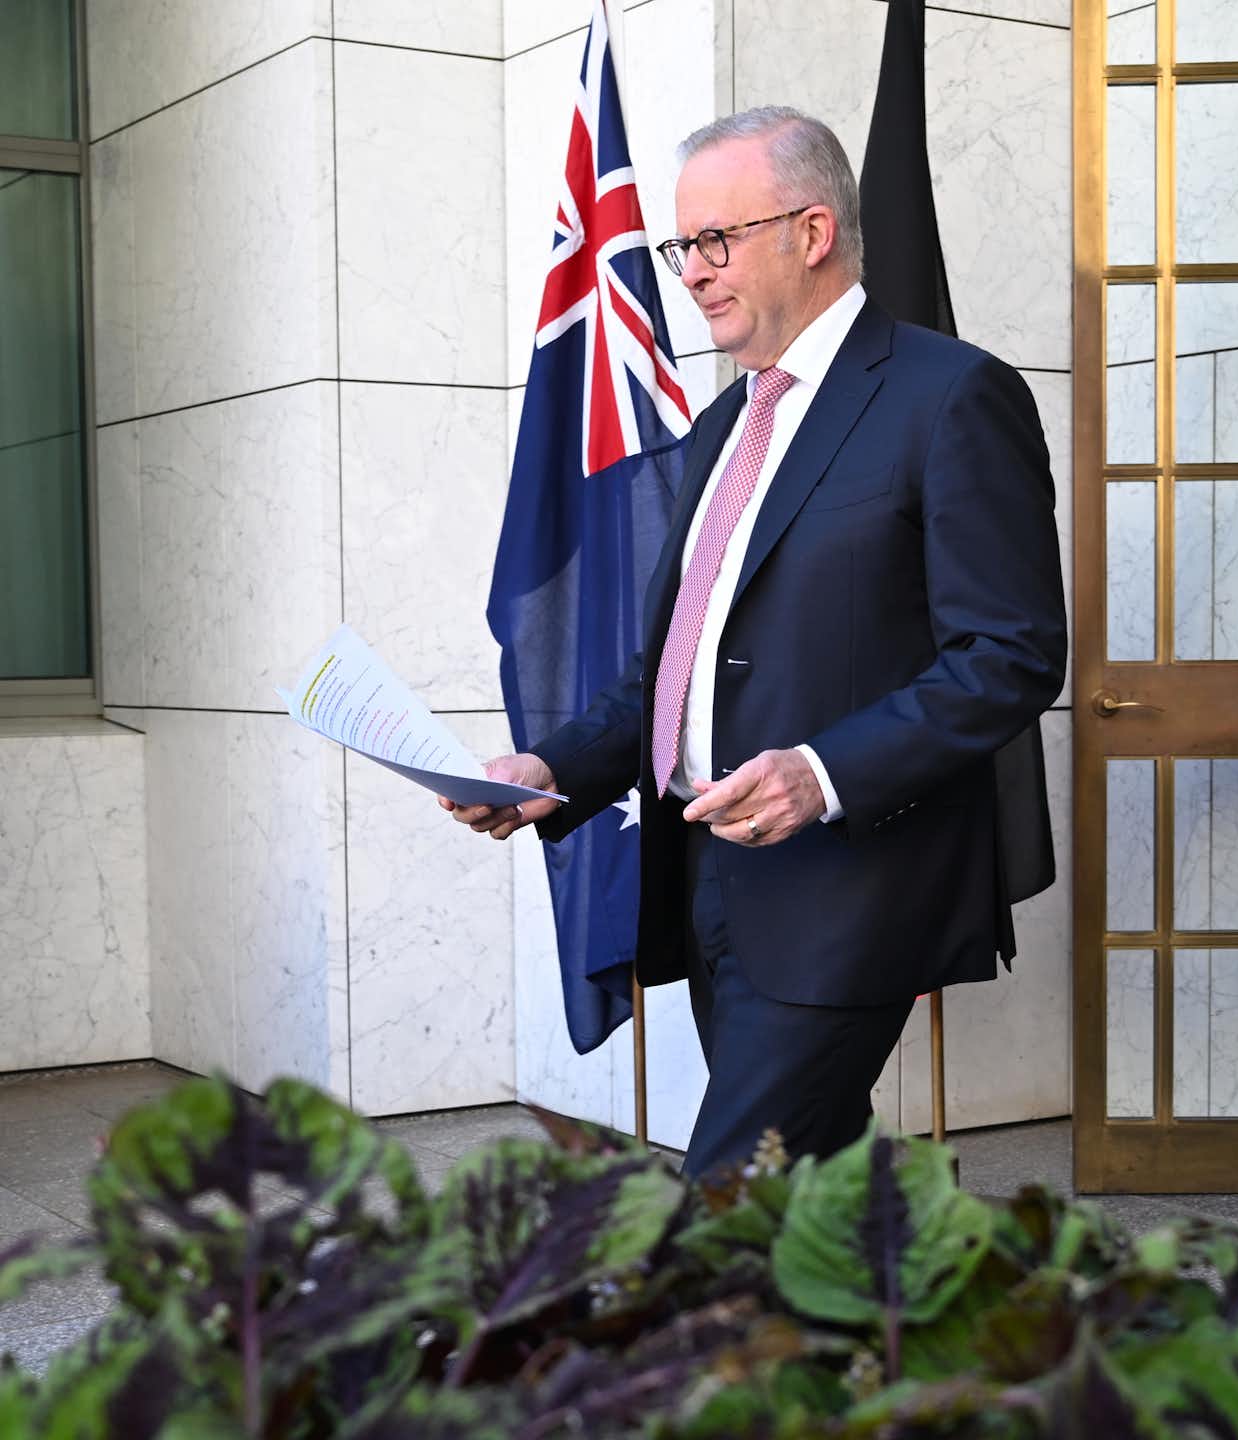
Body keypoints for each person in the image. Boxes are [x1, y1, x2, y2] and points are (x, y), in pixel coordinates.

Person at [443, 107, 1065, 1177]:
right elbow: (670, 671)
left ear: (812, 232)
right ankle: (898, 1329)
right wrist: (554, 768)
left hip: (849, 889)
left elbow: (1007, 656)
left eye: (715, 241)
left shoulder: (951, 397)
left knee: (727, 1200)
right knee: (804, 1190)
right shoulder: (723, 427)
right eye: (684, 246)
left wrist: (823, 775)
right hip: (708, 879)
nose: (690, 271)